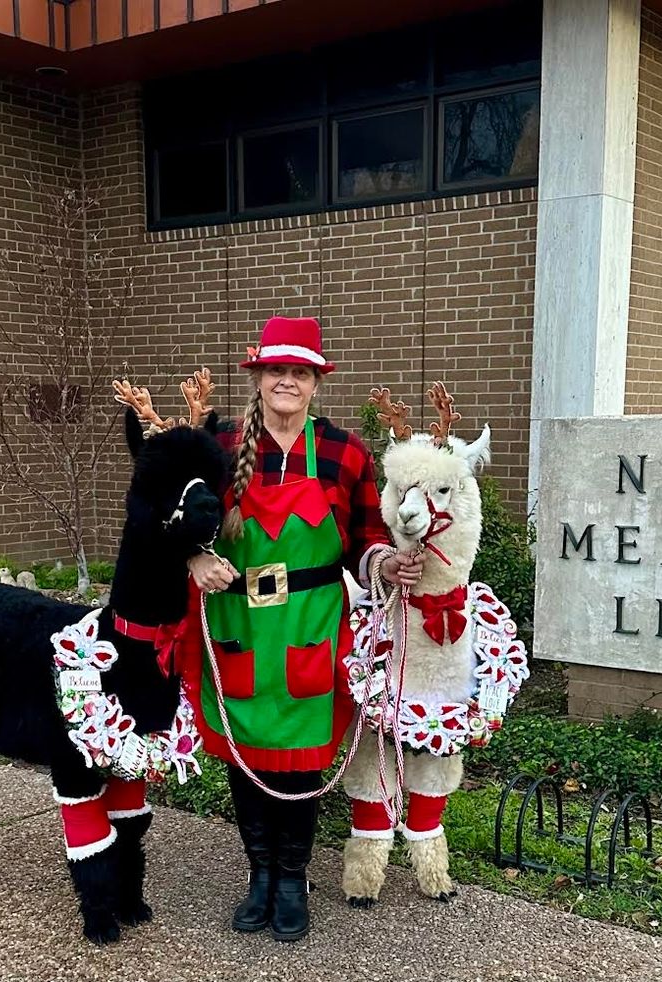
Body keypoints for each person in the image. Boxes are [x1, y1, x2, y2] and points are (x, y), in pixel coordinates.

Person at [181, 315, 423, 943]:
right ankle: (259, 875)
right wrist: (194, 557)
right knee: (246, 757)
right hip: (238, 624)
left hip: (312, 627)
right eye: (276, 370)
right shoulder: (219, 443)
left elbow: (367, 538)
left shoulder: (344, 452)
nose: (287, 381)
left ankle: (292, 876)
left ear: (315, 382)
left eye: (300, 372)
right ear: (258, 376)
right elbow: (171, 516)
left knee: (300, 764)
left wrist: (385, 564)